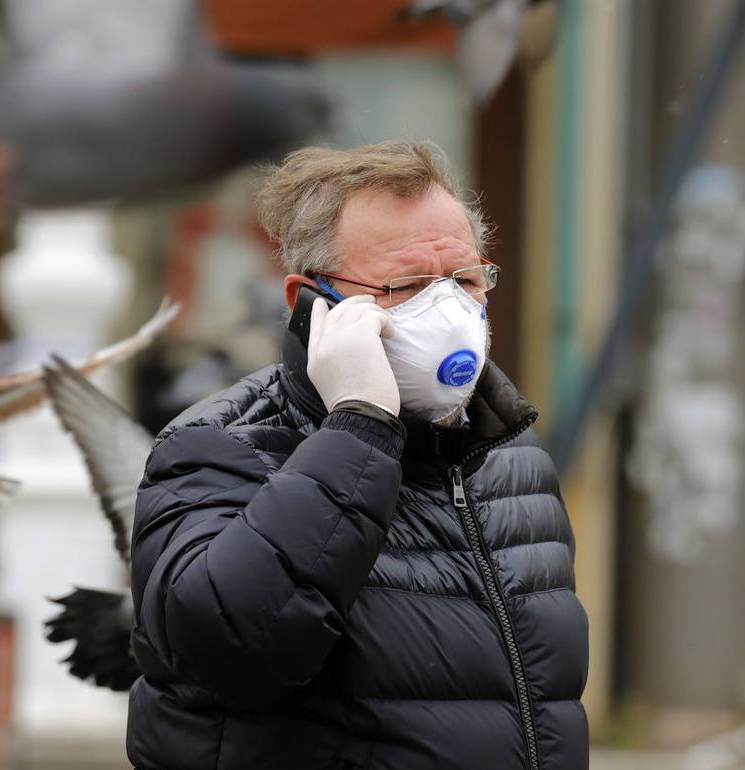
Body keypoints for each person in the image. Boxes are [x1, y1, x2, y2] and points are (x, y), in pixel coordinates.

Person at [127, 142, 587, 769]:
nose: (449, 310)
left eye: (465, 279)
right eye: (408, 286)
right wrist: (359, 429)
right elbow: (231, 649)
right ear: (313, 302)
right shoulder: (217, 448)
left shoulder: (510, 455)